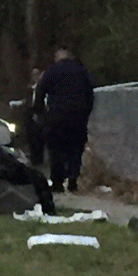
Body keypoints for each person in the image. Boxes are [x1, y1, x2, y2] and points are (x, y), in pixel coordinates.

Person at [33, 45, 95, 193]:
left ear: (57, 57)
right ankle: (73, 179)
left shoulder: (52, 70)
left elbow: (40, 91)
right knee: (76, 148)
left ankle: (57, 182)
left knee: (56, 149)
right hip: (78, 116)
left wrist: (39, 112)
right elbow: (90, 93)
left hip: (57, 115)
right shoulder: (81, 70)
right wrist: (86, 112)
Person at [22, 67, 45, 166]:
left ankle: (39, 159)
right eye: (33, 75)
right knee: (30, 137)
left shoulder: (43, 87)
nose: (35, 77)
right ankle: (34, 158)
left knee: (39, 138)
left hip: (39, 114)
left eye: (37, 74)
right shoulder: (29, 89)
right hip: (30, 115)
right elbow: (27, 101)